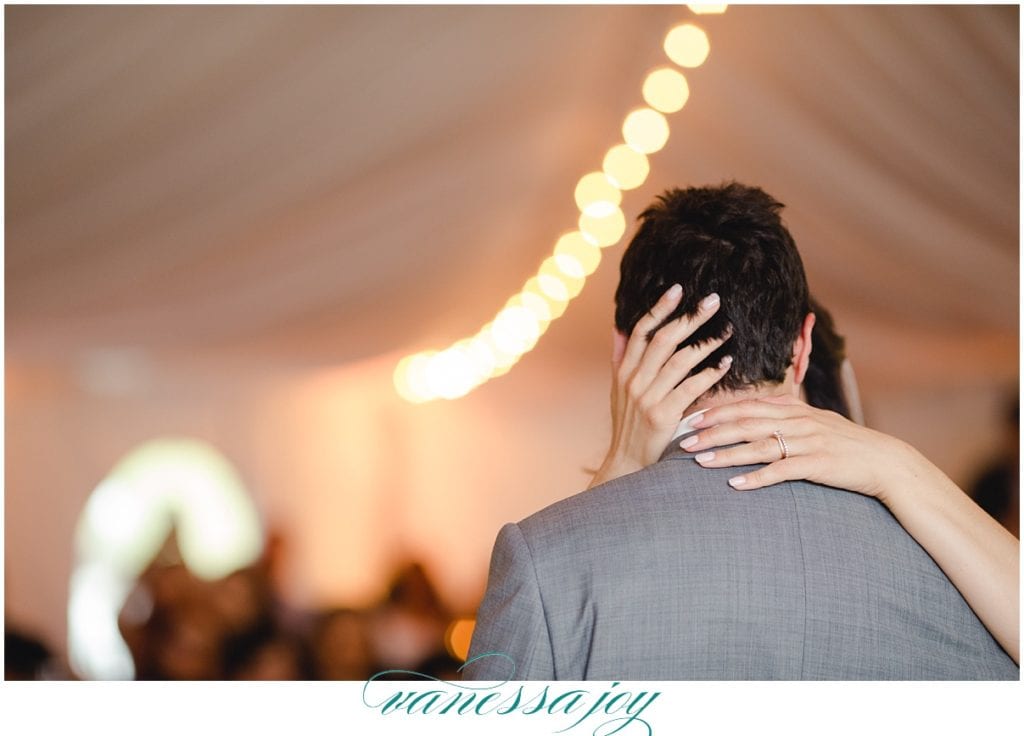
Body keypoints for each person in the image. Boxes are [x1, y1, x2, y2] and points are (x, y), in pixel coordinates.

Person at [464, 182, 1017, 679]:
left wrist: (617, 474)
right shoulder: (961, 570)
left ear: (623, 349)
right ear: (802, 348)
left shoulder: (541, 559)